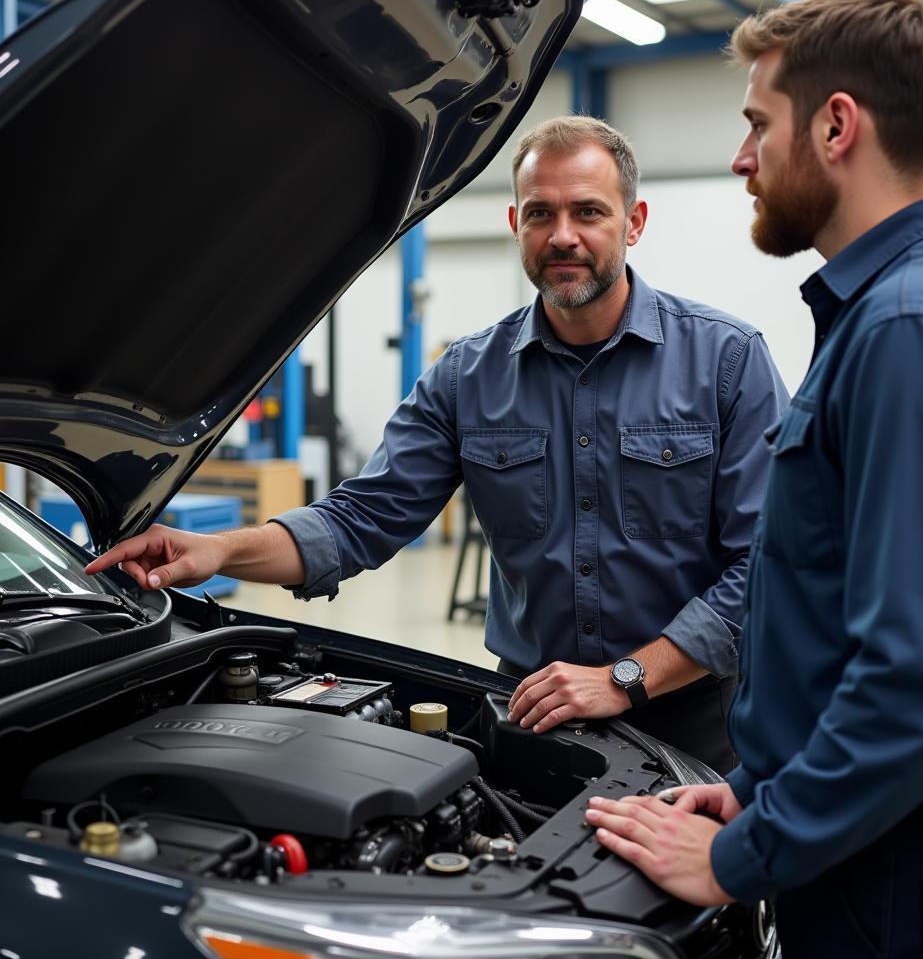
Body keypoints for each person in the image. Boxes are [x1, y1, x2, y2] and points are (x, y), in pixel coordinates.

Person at [86, 116, 787, 773]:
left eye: (589, 212)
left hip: (694, 718)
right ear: (516, 224)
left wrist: (625, 679)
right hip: (532, 709)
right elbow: (360, 519)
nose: (562, 235)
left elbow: (762, 567)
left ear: (633, 223)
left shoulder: (726, 362)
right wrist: (217, 551)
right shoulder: (467, 375)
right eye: (540, 213)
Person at [584, 0, 923, 957]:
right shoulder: (896, 311)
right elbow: (840, 610)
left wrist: (743, 853)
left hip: (912, 881)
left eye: (755, 125)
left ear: (835, 126)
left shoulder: (913, 329)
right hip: (873, 837)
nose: (741, 160)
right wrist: (755, 786)